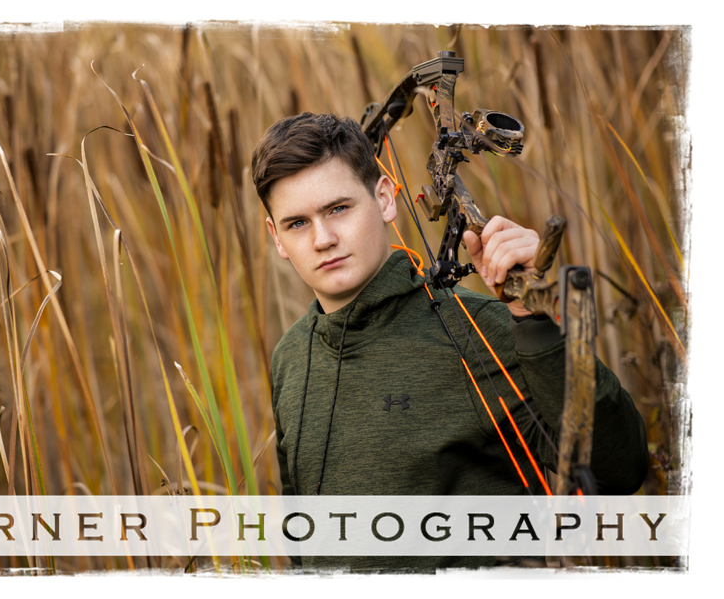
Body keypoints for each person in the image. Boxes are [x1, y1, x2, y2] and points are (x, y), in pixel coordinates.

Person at [250, 112, 649, 573]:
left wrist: (538, 326)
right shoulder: (292, 356)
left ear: (383, 199)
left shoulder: (484, 328)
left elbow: (620, 468)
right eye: (297, 223)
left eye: (339, 208)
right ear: (275, 237)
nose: (323, 239)